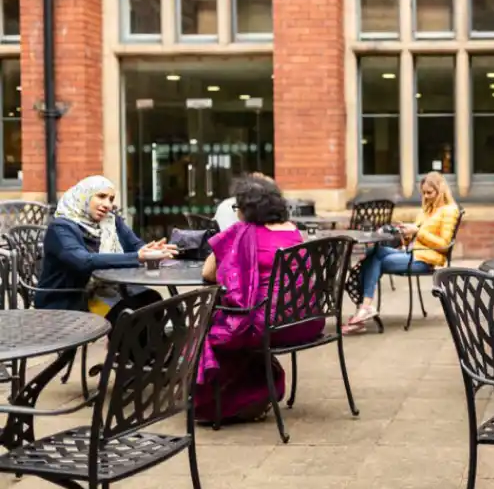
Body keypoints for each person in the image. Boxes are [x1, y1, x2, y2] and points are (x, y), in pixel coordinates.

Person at [194, 175, 325, 424]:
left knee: (214, 329)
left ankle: (232, 402)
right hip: (307, 321)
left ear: (247, 208)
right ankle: (263, 390)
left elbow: (208, 274)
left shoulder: (242, 232)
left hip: (270, 327)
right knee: (235, 322)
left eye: (238, 207)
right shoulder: (292, 231)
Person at [36, 176, 175, 322]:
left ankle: (145, 344)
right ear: (84, 196)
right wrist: (138, 256)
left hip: (108, 288)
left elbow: (134, 245)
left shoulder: (111, 221)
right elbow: (83, 261)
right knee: (126, 313)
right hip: (69, 298)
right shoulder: (61, 228)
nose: (107, 204)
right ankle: (129, 344)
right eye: (101, 196)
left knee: (152, 300)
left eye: (111, 199)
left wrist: (151, 250)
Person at [344, 171, 460, 333]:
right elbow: (415, 237)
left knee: (376, 260)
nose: (426, 196)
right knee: (375, 251)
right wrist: (405, 233)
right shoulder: (427, 209)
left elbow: (444, 245)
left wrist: (417, 231)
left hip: (427, 260)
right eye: (424, 193)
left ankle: (363, 306)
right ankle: (364, 308)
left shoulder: (449, 210)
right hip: (413, 253)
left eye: (429, 193)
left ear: (440, 190)